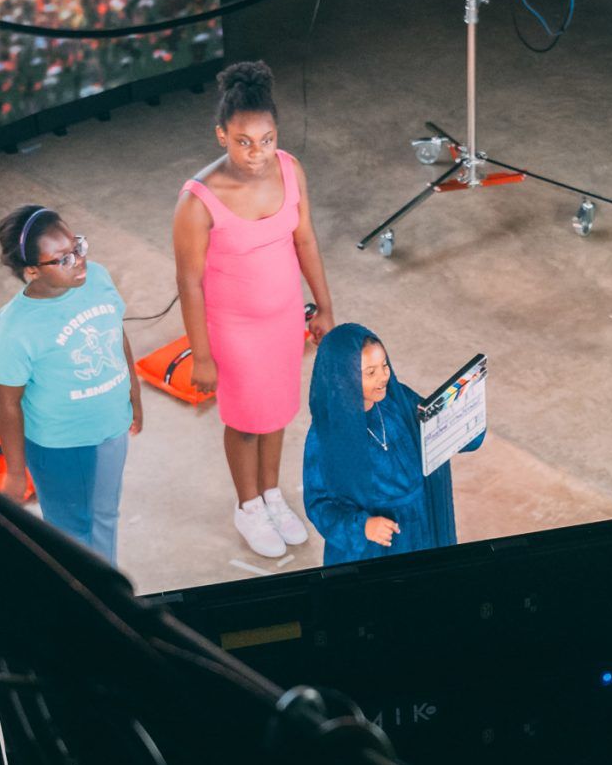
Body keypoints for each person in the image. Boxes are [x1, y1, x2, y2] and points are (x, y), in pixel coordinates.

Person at [172, 59, 338, 559]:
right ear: (221, 135)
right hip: (234, 330)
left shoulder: (290, 169)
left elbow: (305, 239)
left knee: (278, 412)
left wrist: (324, 308)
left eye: (266, 139)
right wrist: (201, 355)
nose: (257, 153)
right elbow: (189, 280)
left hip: (285, 319)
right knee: (246, 421)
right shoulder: (197, 201)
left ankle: (271, 494)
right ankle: (247, 506)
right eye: (244, 141)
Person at [0, 203, 143, 564]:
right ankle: (85, 599)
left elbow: (115, 331)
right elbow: (8, 403)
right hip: (61, 446)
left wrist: (134, 394)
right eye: (62, 259)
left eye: (77, 247)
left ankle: (108, 590)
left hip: (111, 428)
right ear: (31, 272)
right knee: (69, 530)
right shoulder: (15, 329)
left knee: (104, 515)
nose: (79, 261)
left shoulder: (98, 278)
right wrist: (14, 471)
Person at [300, 323, 475, 563]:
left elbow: (439, 428)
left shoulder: (399, 400)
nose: (383, 377)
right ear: (342, 378)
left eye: (384, 366)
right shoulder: (326, 434)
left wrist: (468, 421)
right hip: (377, 547)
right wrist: (362, 526)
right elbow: (319, 503)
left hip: (422, 526)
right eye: (370, 372)